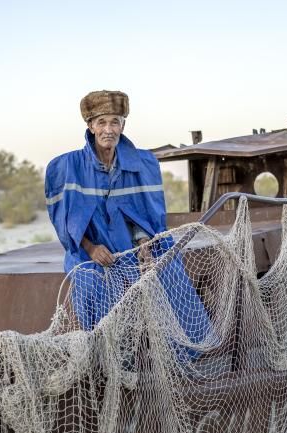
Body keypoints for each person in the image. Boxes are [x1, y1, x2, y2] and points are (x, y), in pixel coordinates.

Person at [45, 90, 211, 350]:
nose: (108, 129)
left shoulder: (142, 163)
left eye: (114, 122)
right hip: (92, 249)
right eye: (101, 122)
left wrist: (144, 244)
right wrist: (91, 248)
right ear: (90, 126)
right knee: (91, 282)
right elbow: (67, 223)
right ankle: (111, 355)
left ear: (123, 125)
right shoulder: (68, 167)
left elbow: (144, 213)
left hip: (131, 244)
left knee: (167, 267)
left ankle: (188, 349)